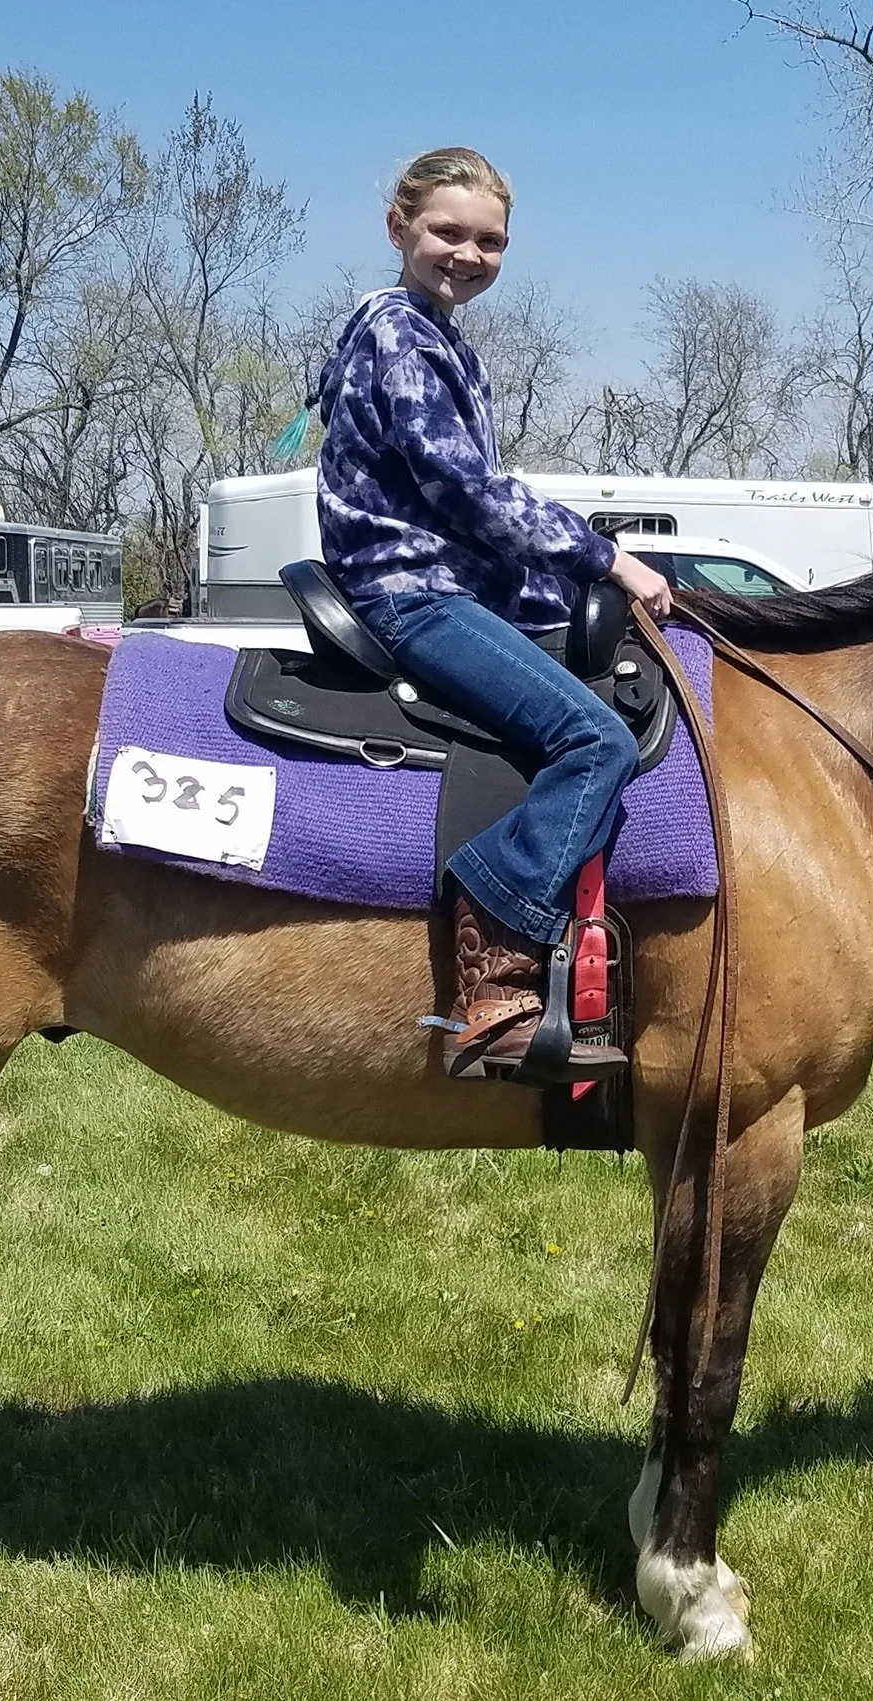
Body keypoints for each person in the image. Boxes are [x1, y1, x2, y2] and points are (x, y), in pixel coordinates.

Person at [311, 147, 674, 1081]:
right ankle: (496, 954)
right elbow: (470, 495)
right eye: (448, 232)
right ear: (398, 228)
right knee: (594, 740)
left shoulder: (439, 337)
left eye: (491, 242)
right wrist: (607, 557)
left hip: (449, 582)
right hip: (411, 592)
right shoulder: (400, 336)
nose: (469, 255)